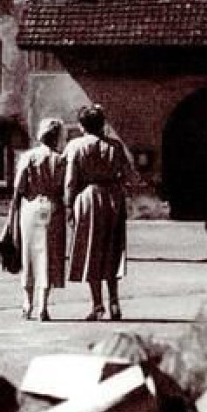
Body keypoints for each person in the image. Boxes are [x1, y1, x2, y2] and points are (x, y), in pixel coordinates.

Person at [63, 104, 133, 322]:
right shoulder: (115, 146)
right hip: (113, 196)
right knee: (112, 248)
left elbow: (70, 180)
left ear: (82, 125)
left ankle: (97, 304)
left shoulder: (76, 146)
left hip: (88, 196)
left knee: (90, 249)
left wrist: (68, 205)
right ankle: (114, 301)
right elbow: (128, 174)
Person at [10, 117, 68, 321]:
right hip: (53, 207)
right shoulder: (61, 160)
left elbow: (19, 187)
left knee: (28, 254)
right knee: (48, 256)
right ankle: (43, 306)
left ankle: (27, 303)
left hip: (31, 206)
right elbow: (66, 187)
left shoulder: (28, 157)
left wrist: (14, 211)